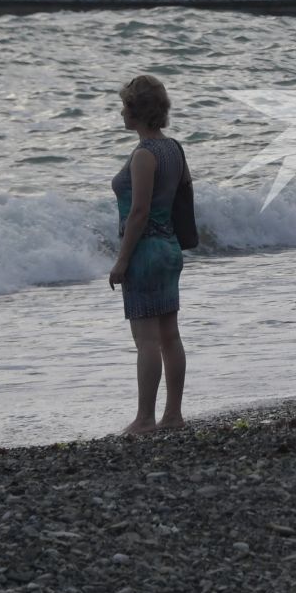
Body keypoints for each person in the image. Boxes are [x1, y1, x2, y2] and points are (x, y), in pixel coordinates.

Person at [108, 74, 190, 435]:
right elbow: (183, 194)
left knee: (146, 341)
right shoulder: (173, 148)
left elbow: (138, 212)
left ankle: (144, 418)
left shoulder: (144, 154)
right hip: (170, 247)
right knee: (170, 335)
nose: (122, 112)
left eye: (126, 106)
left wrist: (122, 260)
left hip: (145, 252)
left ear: (138, 112)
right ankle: (172, 415)